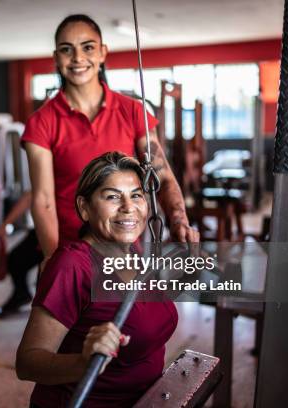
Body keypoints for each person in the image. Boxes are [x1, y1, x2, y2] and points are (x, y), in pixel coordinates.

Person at [22, 14, 199, 268]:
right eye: (66, 49)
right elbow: (43, 199)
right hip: (72, 252)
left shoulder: (133, 111)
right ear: (56, 58)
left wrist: (179, 220)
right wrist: (53, 260)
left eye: (88, 47)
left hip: (125, 247)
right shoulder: (42, 122)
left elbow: (161, 176)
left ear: (103, 52)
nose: (78, 58)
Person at [16, 152, 177, 407]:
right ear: (84, 207)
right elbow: (27, 362)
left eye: (136, 195)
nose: (128, 207)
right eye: (113, 196)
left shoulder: (133, 251)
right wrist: (83, 362)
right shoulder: (72, 267)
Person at [0, 191, 42, 315]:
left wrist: (5, 224)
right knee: (15, 260)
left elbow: (31, 196)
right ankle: (22, 294)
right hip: (49, 226)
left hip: (57, 227)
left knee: (17, 260)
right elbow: (31, 195)